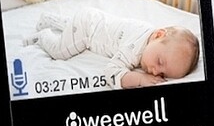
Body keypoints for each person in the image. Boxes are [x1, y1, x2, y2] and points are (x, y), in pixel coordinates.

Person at [26, 7, 200, 88]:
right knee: (60, 52)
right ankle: (43, 36)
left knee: (72, 29)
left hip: (91, 18)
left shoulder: (151, 37)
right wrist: (139, 79)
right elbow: (111, 72)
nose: (155, 72)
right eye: (159, 62)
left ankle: (50, 19)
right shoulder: (134, 48)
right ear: (158, 35)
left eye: (162, 74)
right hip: (88, 30)